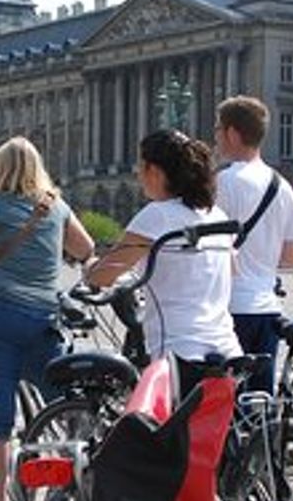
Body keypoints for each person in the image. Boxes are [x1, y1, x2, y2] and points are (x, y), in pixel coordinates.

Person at [0, 137, 95, 501]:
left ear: (1, 168)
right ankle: (76, 494)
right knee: (63, 407)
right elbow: (85, 249)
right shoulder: (55, 206)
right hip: (43, 318)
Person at [87, 129, 241, 390]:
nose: (138, 175)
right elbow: (233, 271)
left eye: (140, 167)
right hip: (228, 348)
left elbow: (104, 274)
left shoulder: (157, 216)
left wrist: (90, 267)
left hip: (179, 350)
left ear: (154, 171)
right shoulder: (217, 215)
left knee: (148, 428)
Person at [212, 96, 293, 395]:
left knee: (223, 402)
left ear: (233, 134)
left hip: (228, 308)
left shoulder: (222, 183)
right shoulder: (283, 186)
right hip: (267, 309)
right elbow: (291, 256)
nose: (216, 137)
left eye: (218, 130)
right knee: (260, 404)